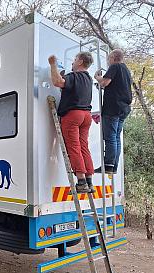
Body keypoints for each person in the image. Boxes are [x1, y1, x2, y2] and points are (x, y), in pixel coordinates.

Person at [48, 52, 95, 193]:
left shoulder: (74, 76)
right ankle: (89, 182)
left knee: (74, 147)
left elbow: (58, 82)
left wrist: (52, 65)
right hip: (86, 116)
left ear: (80, 61)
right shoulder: (89, 79)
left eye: (74, 60)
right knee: (84, 147)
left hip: (73, 115)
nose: (72, 63)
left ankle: (81, 182)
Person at [94, 49, 132, 174]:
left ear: (114, 58)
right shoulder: (126, 70)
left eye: (109, 58)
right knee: (116, 138)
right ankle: (114, 166)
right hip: (124, 108)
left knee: (110, 137)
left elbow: (105, 82)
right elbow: (116, 88)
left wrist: (98, 77)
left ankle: (108, 165)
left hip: (113, 107)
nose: (108, 61)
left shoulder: (115, 66)